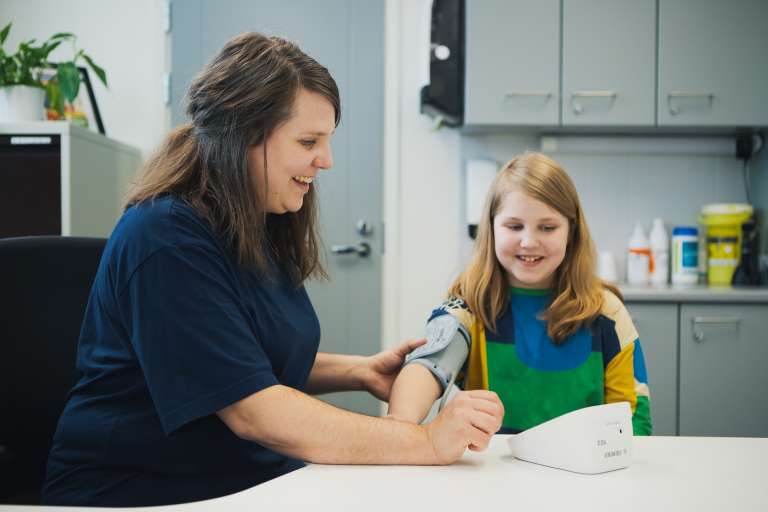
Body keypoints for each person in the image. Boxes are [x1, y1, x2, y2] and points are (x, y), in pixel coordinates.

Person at [41, 32, 504, 507]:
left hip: (235, 477)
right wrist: (425, 443)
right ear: (242, 134)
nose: (326, 160)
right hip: (142, 491)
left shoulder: (255, 225)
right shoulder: (165, 239)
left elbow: (238, 360)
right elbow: (256, 412)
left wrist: (359, 371)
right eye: (309, 141)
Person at [386, 153, 652, 436]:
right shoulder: (469, 304)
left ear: (571, 232)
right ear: (491, 228)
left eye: (547, 227)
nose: (529, 241)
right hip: (494, 473)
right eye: (514, 226)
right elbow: (427, 366)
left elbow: (634, 418)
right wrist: (398, 427)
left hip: (587, 474)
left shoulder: (606, 311)